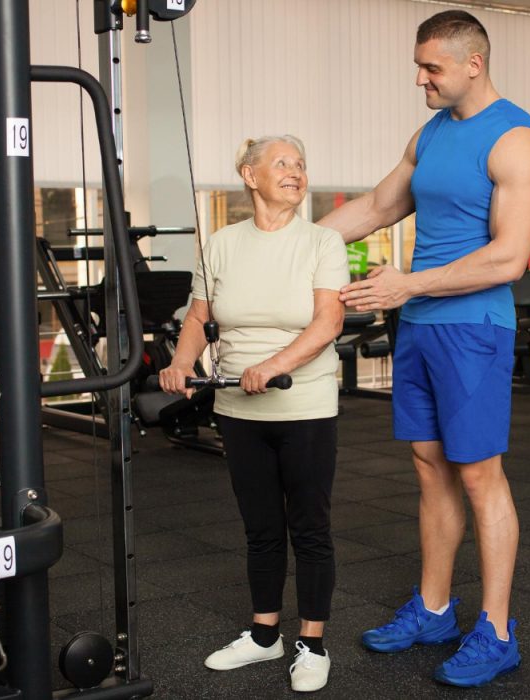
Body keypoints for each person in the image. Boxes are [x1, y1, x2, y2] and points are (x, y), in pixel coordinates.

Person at [317, 9, 530, 688]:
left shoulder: (517, 140)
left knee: (480, 474)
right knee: (429, 466)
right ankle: (435, 607)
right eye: (419, 66)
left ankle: (498, 629)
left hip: (474, 325)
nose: (419, 78)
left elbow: (508, 258)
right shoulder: (430, 133)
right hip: (418, 322)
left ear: (472, 64)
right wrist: (292, 245)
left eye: (431, 68)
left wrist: (405, 284)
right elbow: (380, 206)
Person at [159, 135, 349, 693]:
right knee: (261, 528)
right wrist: (180, 361)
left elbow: (327, 324)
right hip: (238, 407)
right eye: (283, 163)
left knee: (309, 527)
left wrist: (271, 364)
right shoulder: (220, 244)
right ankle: (265, 636)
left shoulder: (323, 241)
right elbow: (198, 320)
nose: (296, 172)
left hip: (305, 404)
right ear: (249, 175)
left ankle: (312, 643)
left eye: (301, 164)